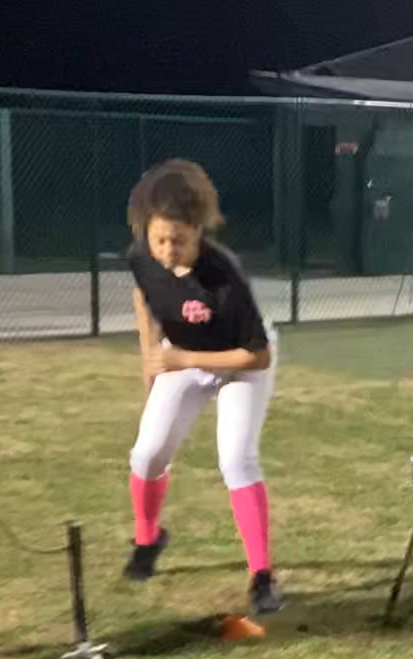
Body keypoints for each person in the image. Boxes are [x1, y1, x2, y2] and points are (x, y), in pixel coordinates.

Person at [120, 159, 282, 616]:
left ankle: (262, 576)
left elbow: (258, 355)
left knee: (236, 459)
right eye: (159, 239)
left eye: (178, 240)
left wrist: (184, 359)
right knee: (147, 453)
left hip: (239, 361)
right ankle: (148, 539)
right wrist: (150, 358)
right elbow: (143, 296)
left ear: (198, 231)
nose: (167, 249)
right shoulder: (142, 256)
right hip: (182, 355)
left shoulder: (223, 273)